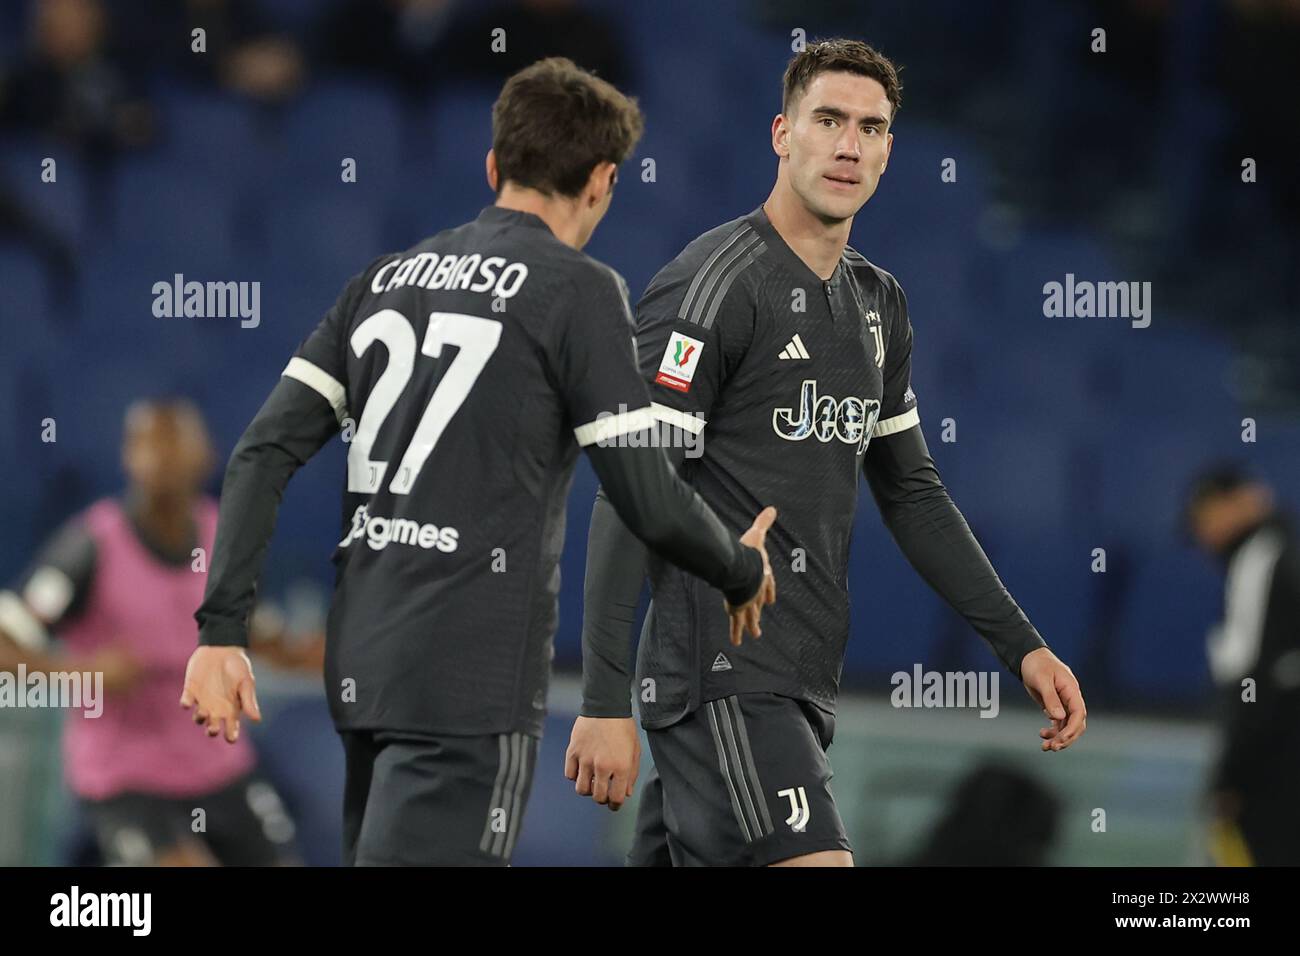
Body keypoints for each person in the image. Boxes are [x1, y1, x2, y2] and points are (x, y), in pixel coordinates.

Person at [182, 57, 776, 867]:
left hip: (362, 666)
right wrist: (737, 567)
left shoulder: (383, 281)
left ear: (494, 165)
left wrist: (221, 633)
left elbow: (260, 451)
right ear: (603, 180)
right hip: (467, 681)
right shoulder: (579, 289)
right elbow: (647, 496)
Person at [569, 38, 1088, 867]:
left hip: (801, 683)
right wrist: (601, 700)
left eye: (871, 128)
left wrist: (1020, 644)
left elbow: (913, 494)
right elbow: (632, 486)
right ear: (783, 134)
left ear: (887, 149)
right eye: (829, 120)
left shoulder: (880, 303)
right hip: (725, 677)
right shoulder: (714, 285)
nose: (849, 145)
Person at [0, 400, 300, 865]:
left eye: (175, 441)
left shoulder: (228, 538)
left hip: (221, 772)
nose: (162, 457)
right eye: (147, 443)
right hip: (127, 783)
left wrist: (330, 652)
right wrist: (84, 673)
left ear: (206, 454)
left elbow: (258, 633)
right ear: (127, 456)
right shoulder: (89, 548)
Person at [1185, 462, 1300, 866]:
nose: (1203, 534)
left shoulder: (1259, 560)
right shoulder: (1280, 552)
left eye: (1206, 516)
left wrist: (1230, 777)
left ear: (1242, 501)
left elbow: (1256, 679)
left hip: (1277, 765)